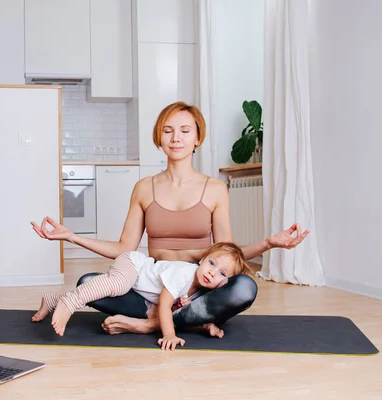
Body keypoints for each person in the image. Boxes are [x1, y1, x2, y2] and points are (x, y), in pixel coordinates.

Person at [31, 101, 309, 336]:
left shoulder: (215, 189)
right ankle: (179, 320)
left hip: (197, 288)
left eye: (185, 131)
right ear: (159, 138)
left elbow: (228, 254)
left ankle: (148, 324)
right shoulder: (144, 187)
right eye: (168, 131)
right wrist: (71, 237)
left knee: (244, 287)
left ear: (197, 138)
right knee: (88, 281)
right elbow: (123, 249)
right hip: (152, 288)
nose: (176, 138)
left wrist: (270, 243)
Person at [32, 242, 251, 350]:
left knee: (150, 308)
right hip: (134, 265)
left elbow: (187, 312)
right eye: (212, 263)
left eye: (221, 273)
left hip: (142, 294)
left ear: (225, 283)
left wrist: (206, 325)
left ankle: (53, 300)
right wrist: (169, 335)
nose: (212, 272)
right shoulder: (183, 273)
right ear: (202, 259)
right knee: (117, 284)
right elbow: (165, 306)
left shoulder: (202, 290)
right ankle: (70, 302)